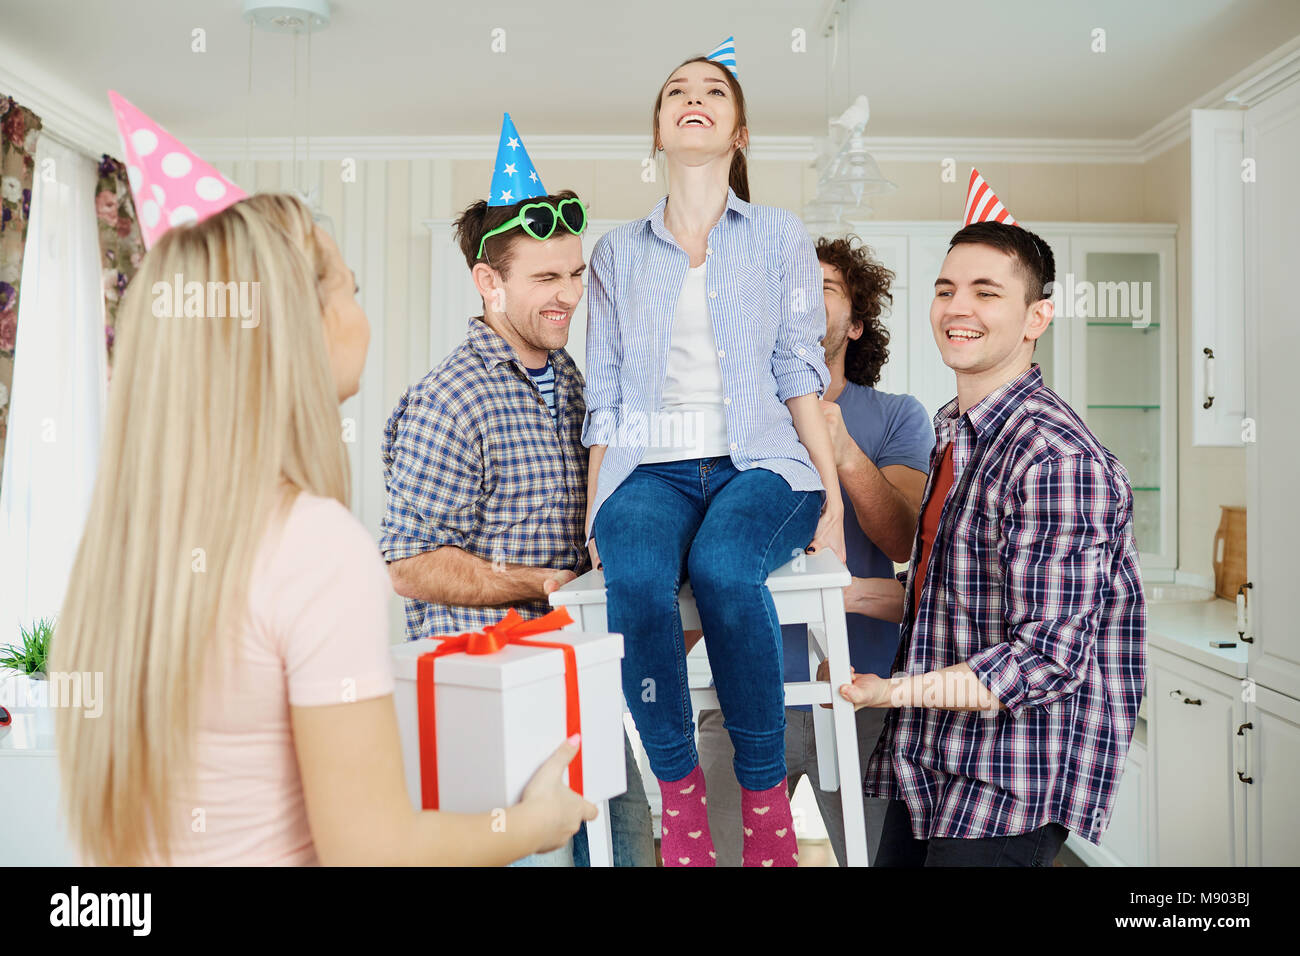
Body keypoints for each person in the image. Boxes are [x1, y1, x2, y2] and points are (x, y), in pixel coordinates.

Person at [52, 180, 593, 864]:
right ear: (297, 324)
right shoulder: (313, 545)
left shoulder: (124, 542)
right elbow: (372, 851)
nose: (361, 317)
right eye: (352, 290)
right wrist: (537, 823)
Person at [582, 45, 847, 868]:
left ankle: (766, 798)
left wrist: (831, 499)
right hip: (650, 468)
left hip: (761, 462)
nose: (693, 100)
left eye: (713, 93)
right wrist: (599, 510)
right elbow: (607, 398)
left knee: (727, 567)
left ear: (738, 131)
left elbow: (800, 371)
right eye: (675, 93)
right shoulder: (617, 253)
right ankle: (681, 798)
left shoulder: (778, 235)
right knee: (633, 575)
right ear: (658, 130)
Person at [843, 174, 1146, 867]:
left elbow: (1042, 657)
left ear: (1037, 317)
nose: (958, 307)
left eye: (987, 292)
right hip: (933, 759)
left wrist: (891, 691)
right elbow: (948, 598)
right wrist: (842, 594)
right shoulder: (955, 435)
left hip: (1012, 780)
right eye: (947, 289)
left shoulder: (1055, 458)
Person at [380, 114, 655, 868]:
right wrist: (538, 585)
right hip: (489, 704)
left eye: (573, 274)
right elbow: (405, 564)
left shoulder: (569, 380)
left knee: (626, 850)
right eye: (545, 279)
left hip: (579, 682)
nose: (567, 295)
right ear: (489, 282)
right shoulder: (451, 399)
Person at [696, 236, 932, 866]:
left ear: (855, 323)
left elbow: (904, 537)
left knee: (879, 859)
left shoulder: (897, 416)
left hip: (863, 698)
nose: (799, 295)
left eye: (822, 286)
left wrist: (843, 448)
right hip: (742, 698)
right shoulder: (732, 420)